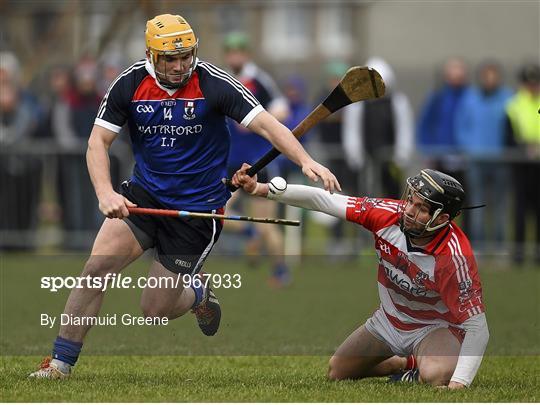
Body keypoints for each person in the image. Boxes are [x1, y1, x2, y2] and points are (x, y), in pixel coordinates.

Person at [29, 14, 339, 379]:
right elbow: (98, 141)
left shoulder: (215, 83)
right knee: (96, 269)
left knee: (154, 309)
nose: (179, 66)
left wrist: (305, 160)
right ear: (151, 54)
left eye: (185, 57)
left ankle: (198, 294)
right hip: (144, 196)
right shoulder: (129, 84)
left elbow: (268, 125)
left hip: (198, 210)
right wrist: (105, 192)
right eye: (170, 59)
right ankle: (60, 363)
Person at [232, 165, 489, 389]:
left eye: (422, 209)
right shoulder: (386, 213)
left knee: (434, 375)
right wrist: (261, 189)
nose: (410, 210)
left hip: (434, 328)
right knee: (337, 372)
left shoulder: (454, 257)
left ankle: (424, 366)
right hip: (388, 321)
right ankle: (405, 363)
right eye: (411, 200)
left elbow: (478, 328)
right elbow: (326, 201)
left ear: (442, 218)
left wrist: (459, 385)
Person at [223, 31, 293, 287]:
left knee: (267, 223)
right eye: (230, 52)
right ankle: (249, 232)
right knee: (219, 213)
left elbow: (282, 108)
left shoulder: (259, 80)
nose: (234, 56)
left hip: (258, 162)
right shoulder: (225, 80)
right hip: (230, 161)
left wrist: (257, 119)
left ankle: (281, 270)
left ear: (246, 54)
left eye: (238, 51)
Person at [454, 61, 513, 252]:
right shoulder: (470, 99)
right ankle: (477, 247)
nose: (489, 80)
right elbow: (461, 126)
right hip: (476, 160)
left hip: (501, 160)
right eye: (486, 76)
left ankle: (500, 247)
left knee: (500, 206)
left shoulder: (508, 98)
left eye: (493, 75)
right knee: (478, 205)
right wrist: (468, 147)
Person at [342, 57, 414, 199]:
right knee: (364, 196)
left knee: (392, 195)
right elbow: (352, 131)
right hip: (366, 159)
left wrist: (402, 154)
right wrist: (354, 154)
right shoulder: (358, 104)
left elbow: (404, 129)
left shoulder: (398, 102)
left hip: (390, 159)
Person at [505, 63, 540, 264]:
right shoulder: (514, 104)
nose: (532, 87)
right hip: (521, 164)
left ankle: (537, 254)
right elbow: (508, 135)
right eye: (529, 83)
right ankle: (518, 254)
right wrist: (523, 146)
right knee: (519, 210)